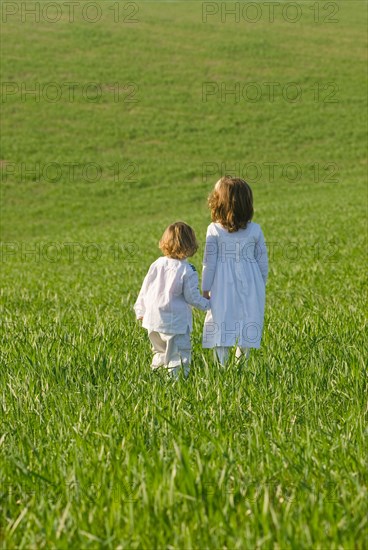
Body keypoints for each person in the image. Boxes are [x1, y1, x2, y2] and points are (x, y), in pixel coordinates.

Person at [202, 176, 268, 365]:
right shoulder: (255, 230)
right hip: (251, 281)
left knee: (221, 319)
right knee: (248, 317)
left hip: (222, 284)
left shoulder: (213, 230)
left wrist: (205, 289)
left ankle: (221, 366)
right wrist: (260, 284)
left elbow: (209, 262)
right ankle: (242, 363)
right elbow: (262, 260)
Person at [134, 221, 210, 378]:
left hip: (153, 320)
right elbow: (192, 297)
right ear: (190, 245)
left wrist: (140, 310)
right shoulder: (187, 270)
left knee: (160, 352)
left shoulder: (156, 264)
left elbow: (145, 289)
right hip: (175, 323)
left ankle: (157, 378)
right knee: (178, 355)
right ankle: (177, 382)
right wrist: (209, 304)